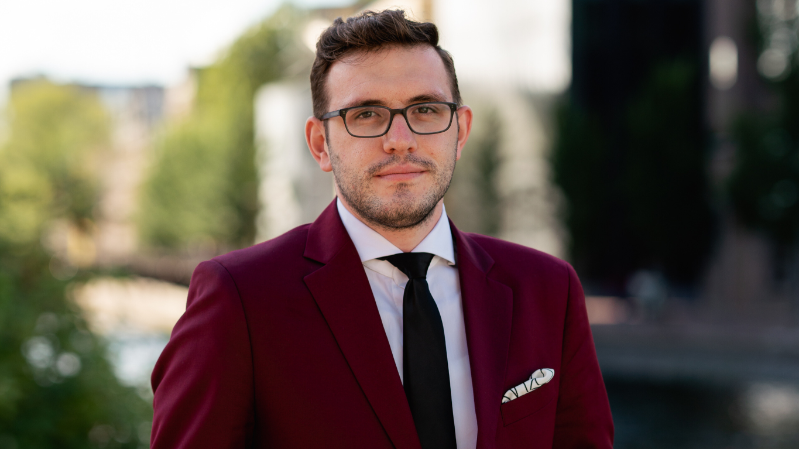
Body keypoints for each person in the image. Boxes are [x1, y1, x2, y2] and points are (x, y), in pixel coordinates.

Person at [151, 9, 613, 449]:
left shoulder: (548, 290)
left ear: (461, 131)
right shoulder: (239, 298)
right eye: (367, 114)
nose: (400, 139)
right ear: (320, 144)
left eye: (426, 110)